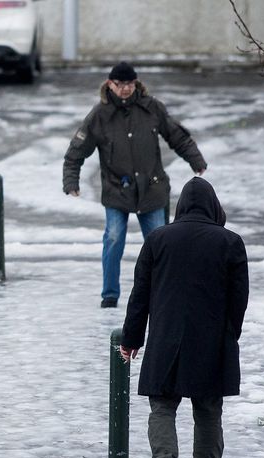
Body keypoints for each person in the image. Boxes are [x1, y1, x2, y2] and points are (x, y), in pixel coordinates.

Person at [119, 177, 249, 458]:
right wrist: (230, 333)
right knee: (207, 412)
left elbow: (140, 295)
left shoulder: (157, 240)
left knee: (162, 407)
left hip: (166, 339)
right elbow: (239, 298)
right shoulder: (230, 243)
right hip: (211, 341)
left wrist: (131, 338)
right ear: (214, 207)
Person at [62, 61, 208, 308]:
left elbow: (177, 135)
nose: (125, 89)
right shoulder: (100, 115)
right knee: (114, 237)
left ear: (136, 83)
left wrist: (196, 159)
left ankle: (162, 292)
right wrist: (71, 181)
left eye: (129, 84)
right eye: (120, 84)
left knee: (160, 242)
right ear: (110, 84)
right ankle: (110, 294)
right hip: (116, 189)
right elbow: (77, 150)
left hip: (152, 189)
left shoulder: (151, 108)